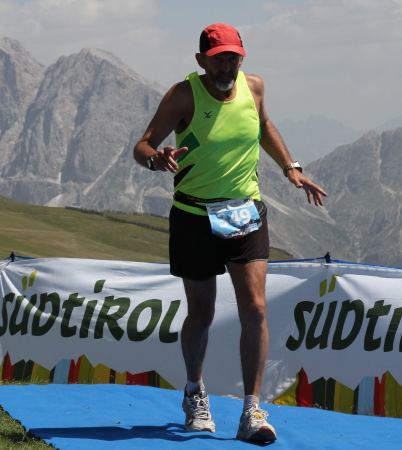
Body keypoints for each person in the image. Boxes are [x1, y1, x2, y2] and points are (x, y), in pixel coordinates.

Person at [134, 23, 327, 443]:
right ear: (201, 60)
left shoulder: (253, 86)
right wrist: (156, 159)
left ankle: (251, 411)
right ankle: (194, 393)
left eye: (233, 58)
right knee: (201, 312)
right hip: (194, 216)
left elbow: (264, 124)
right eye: (219, 58)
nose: (227, 66)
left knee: (255, 309)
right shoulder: (183, 94)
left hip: (245, 213)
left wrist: (291, 168)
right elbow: (143, 145)